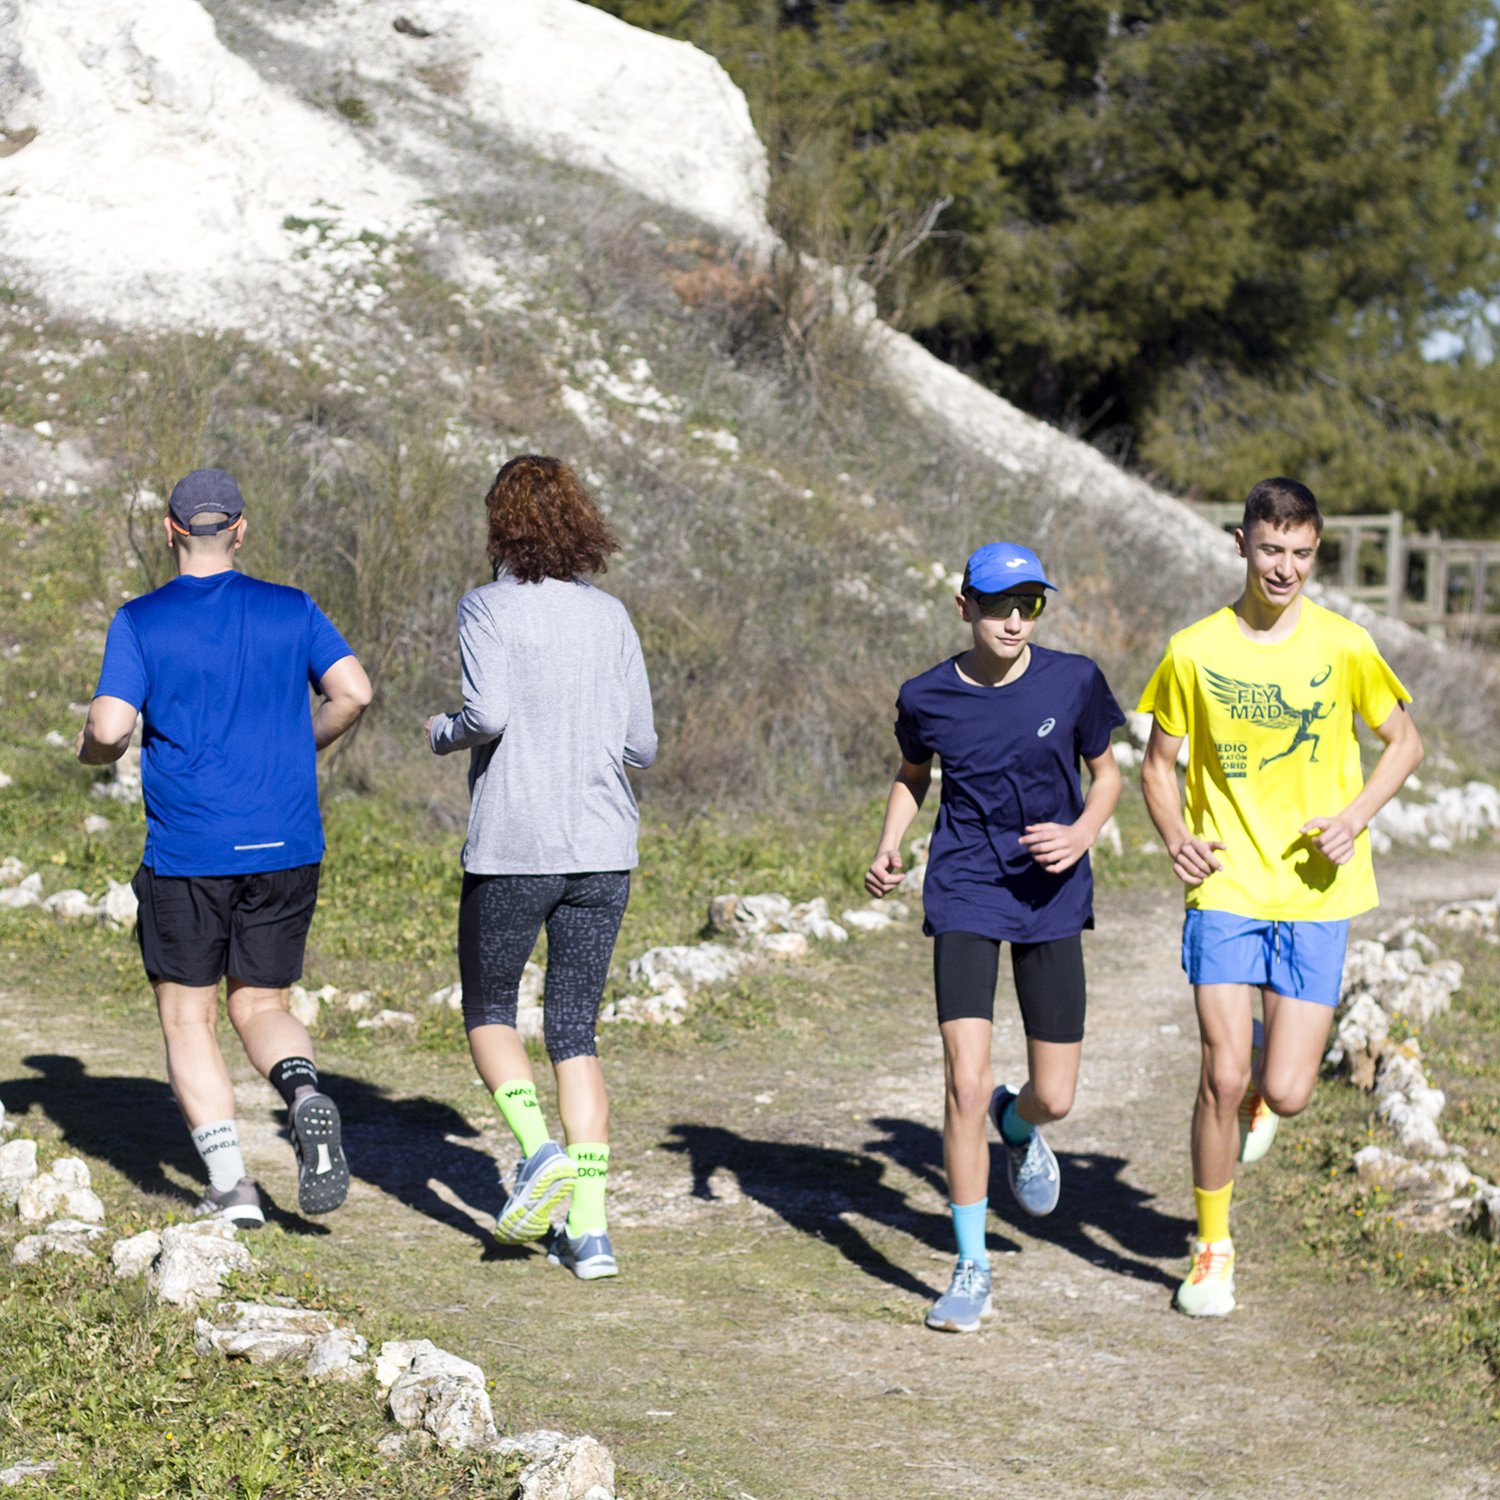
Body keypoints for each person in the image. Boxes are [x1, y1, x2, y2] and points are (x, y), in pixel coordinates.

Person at [1138, 477, 1422, 1318]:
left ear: (1315, 552)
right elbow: (1158, 765)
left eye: (1301, 553)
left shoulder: (1344, 646)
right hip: (1225, 883)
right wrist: (1174, 838)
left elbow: (1404, 741)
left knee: (1288, 1092)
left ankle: (1269, 1086)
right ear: (1241, 544)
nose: (1285, 567)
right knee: (1220, 1074)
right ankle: (1212, 1249)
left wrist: (1356, 816)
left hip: (1316, 888)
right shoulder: (1195, 651)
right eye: (1271, 549)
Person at [79, 468, 372, 1227]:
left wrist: (90, 751)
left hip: (191, 851)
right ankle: (304, 1091)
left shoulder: (140, 621)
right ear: (240, 530)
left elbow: (110, 729)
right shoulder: (292, 607)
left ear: (171, 531)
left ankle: (234, 1187)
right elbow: (355, 692)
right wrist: (301, 744)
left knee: (188, 1018)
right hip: (287, 843)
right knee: (263, 1002)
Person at [865, 542, 1124, 1333]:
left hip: (1051, 893)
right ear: (965, 607)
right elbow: (914, 774)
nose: (1014, 620)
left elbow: (1106, 774)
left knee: (1057, 1095)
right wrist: (889, 843)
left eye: (1029, 604)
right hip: (967, 888)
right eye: (999, 604)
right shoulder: (927, 695)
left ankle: (1019, 1127)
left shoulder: (1074, 680)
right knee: (963, 1084)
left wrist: (1082, 833)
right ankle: (970, 1264)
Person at [425, 454, 656, 1281]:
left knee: (489, 1008)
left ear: (500, 525)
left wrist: (445, 731)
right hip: (604, 851)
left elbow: (485, 713)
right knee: (574, 1030)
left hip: (515, 847)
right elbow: (643, 745)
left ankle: (535, 1153)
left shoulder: (485, 607)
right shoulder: (612, 615)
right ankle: (590, 1234)